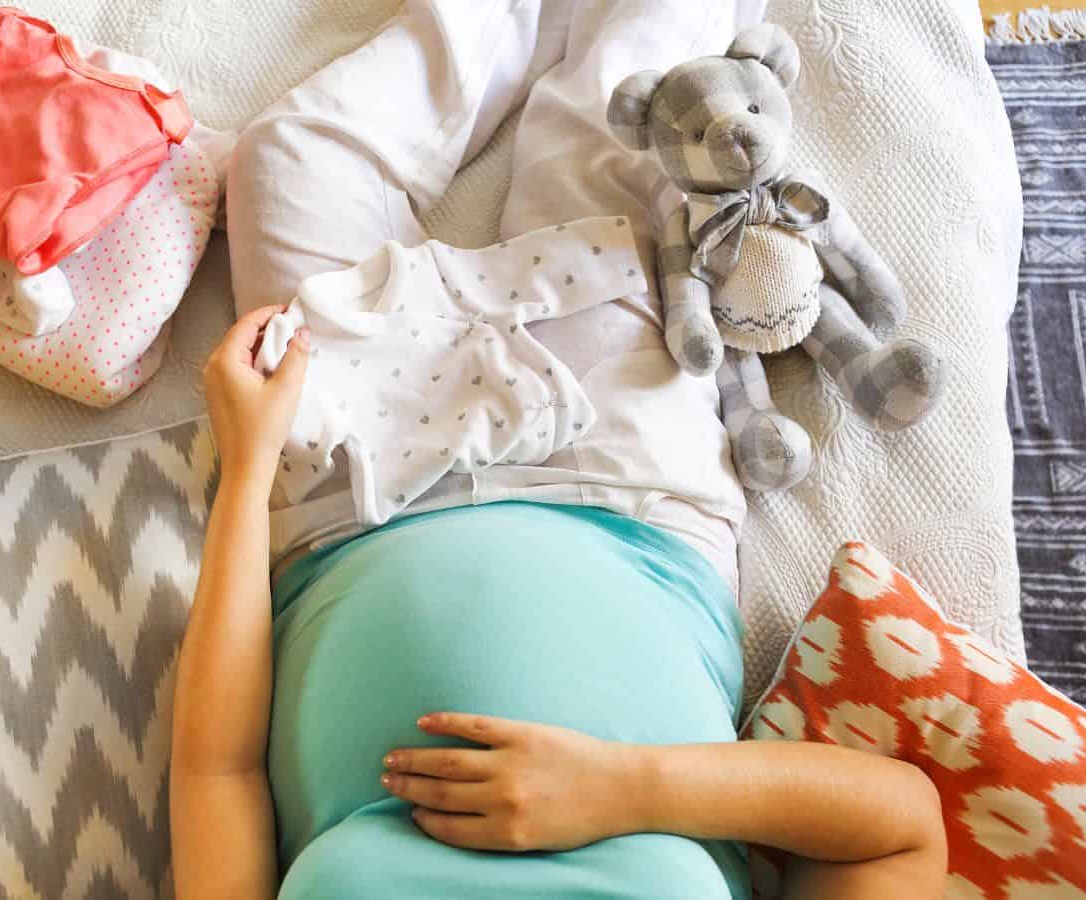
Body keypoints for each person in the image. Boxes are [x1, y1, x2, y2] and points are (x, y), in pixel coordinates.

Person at [169, 1, 948, 897]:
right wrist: (622, 789)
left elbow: (215, 775)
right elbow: (896, 828)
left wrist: (248, 465)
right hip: (629, 492)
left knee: (293, 157)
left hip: (350, 506)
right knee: (615, 108)